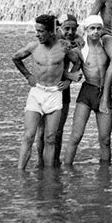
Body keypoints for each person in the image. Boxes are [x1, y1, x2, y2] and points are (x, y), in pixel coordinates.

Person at [12, 14, 81, 170]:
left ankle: (49, 177)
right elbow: (16, 58)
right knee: (29, 136)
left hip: (55, 92)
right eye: (36, 30)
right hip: (37, 92)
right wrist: (28, 75)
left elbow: (77, 62)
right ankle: (20, 173)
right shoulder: (33, 46)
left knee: (50, 137)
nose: (37, 34)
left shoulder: (64, 47)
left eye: (41, 31)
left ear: (51, 32)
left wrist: (69, 80)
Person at [34, 14, 82, 166]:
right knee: (41, 131)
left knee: (58, 131)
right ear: (58, 28)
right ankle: (41, 161)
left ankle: (54, 161)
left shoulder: (71, 43)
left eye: (73, 29)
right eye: (66, 28)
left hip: (62, 89)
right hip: (44, 87)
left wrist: (68, 80)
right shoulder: (50, 39)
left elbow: (78, 62)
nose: (70, 32)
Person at [64, 15, 112, 165]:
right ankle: (66, 169)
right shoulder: (80, 50)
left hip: (104, 93)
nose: (95, 32)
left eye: (98, 28)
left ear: (102, 29)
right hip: (87, 92)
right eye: (92, 28)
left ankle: (105, 177)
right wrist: (67, 78)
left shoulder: (107, 48)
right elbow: (61, 62)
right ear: (86, 30)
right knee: (76, 136)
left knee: (105, 139)